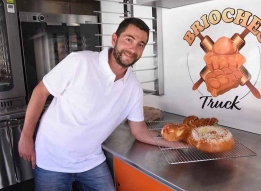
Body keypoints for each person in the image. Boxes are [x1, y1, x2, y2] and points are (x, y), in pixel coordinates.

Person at [18, 17, 160, 191]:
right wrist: (26, 136)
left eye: (140, 44)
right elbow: (40, 91)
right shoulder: (80, 61)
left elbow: (139, 130)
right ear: (114, 39)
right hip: (51, 159)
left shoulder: (134, 87)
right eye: (129, 39)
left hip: (90, 160)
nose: (133, 48)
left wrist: (181, 143)